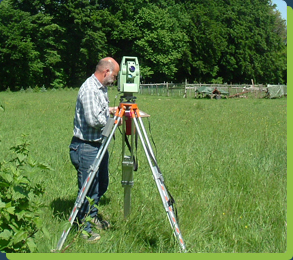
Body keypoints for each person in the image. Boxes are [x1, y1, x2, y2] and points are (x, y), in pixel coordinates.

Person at [69, 57, 120, 242]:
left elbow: (100, 111)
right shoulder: (90, 89)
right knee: (88, 189)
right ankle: (84, 228)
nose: (114, 79)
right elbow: (93, 120)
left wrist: (111, 110)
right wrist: (114, 119)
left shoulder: (101, 88)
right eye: (114, 75)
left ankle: (92, 216)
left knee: (101, 185)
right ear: (106, 72)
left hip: (98, 145)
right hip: (86, 147)